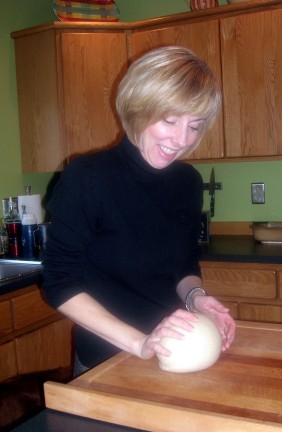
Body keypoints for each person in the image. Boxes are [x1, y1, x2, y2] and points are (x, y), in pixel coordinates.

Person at [42, 46, 236, 376]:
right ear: (138, 109)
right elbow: (59, 284)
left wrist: (196, 299)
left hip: (174, 351)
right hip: (106, 359)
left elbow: (183, 264)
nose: (181, 139)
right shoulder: (88, 178)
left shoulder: (187, 182)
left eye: (195, 125)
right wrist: (140, 343)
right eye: (170, 120)